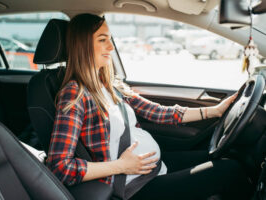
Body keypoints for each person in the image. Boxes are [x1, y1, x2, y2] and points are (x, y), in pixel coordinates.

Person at [46, 13, 251, 200]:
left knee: (221, 155)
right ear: (82, 45)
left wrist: (214, 111)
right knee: (229, 170)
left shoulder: (109, 84)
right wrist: (121, 166)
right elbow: (59, 167)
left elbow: (158, 112)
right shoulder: (75, 94)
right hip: (135, 186)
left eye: (110, 38)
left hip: (153, 166)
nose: (111, 46)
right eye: (102, 40)